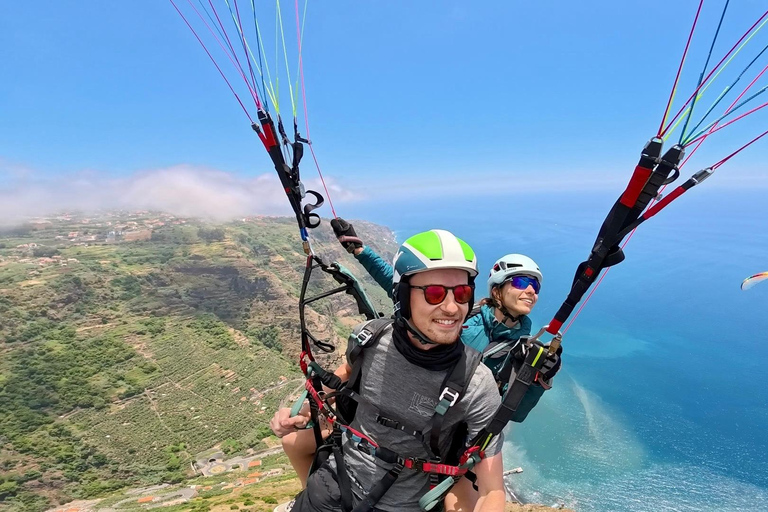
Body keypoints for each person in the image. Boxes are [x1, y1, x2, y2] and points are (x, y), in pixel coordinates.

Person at [271, 230, 507, 511]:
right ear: (403, 296)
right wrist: (300, 414)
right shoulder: (369, 338)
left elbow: (492, 490)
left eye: (462, 293)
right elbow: (345, 373)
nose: (451, 307)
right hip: (333, 484)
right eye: (434, 293)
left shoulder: (477, 384)